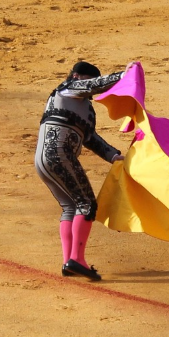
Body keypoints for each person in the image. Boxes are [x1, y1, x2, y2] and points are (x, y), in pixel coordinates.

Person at [34, 60, 132, 281]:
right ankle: (77, 259)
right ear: (78, 76)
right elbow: (94, 85)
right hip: (59, 154)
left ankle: (69, 261)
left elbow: (90, 138)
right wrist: (122, 76)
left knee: (70, 206)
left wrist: (112, 155)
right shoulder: (68, 87)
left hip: (43, 159)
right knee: (87, 203)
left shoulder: (84, 108)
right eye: (88, 80)